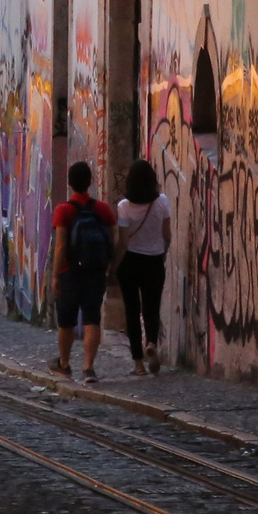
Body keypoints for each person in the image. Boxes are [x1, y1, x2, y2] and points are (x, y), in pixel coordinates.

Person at [49, 161, 121, 383]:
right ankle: (89, 367)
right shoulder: (103, 209)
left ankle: (64, 363)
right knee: (92, 319)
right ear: (90, 182)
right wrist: (110, 265)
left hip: (69, 272)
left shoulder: (63, 210)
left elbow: (61, 245)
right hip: (95, 271)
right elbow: (113, 239)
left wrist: (55, 275)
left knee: (66, 321)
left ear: (69, 183)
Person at [114, 159, 172, 376]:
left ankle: (138, 364)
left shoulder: (124, 207)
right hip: (155, 260)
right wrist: (162, 252)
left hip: (130, 262)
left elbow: (123, 242)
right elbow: (167, 235)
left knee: (131, 310)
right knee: (151, 306)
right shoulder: (163, 202)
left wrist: (114, 266)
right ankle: (152, 343)